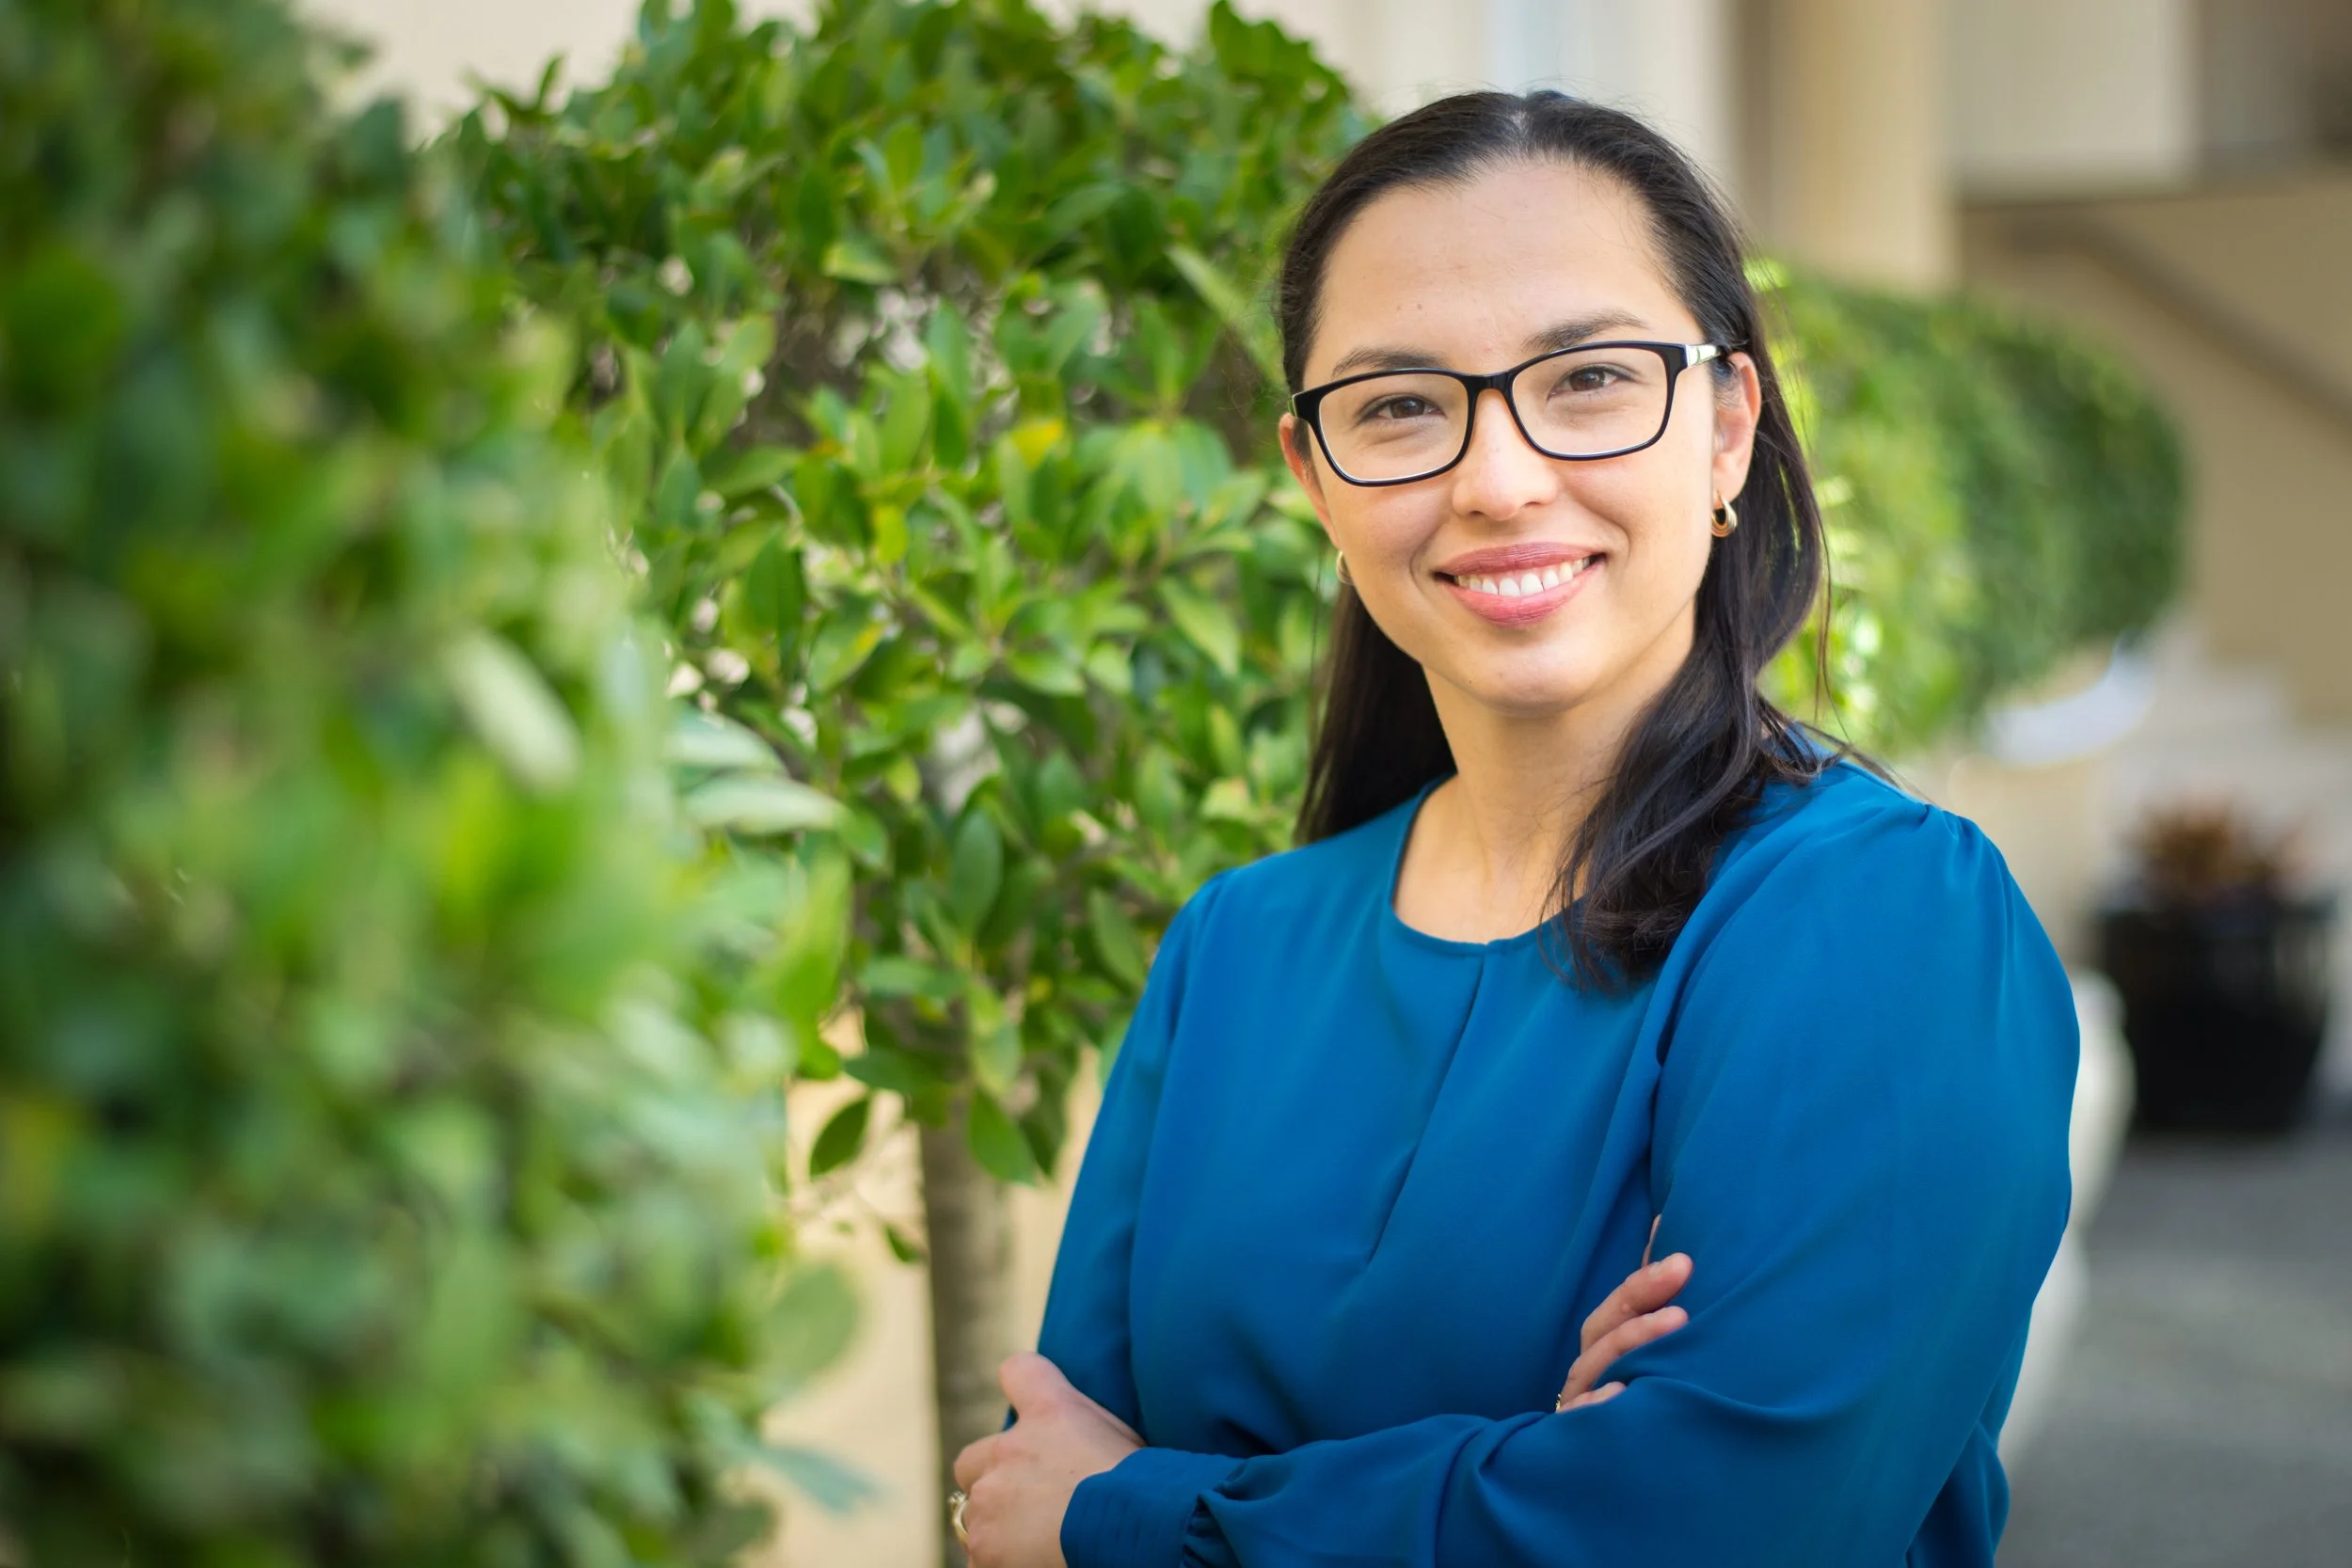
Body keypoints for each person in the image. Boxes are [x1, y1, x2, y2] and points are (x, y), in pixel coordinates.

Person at [946, 90, 2077, 1568]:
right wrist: (1524, 1469)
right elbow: (1040, 1474)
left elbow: (1720, 1531)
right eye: (1400, 405)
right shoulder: (1238, 944)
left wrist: (1147, 1510)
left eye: (1591, 378)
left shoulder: (1880, 917)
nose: (1494, 480)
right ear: (1314, 480)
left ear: (1728, 430)